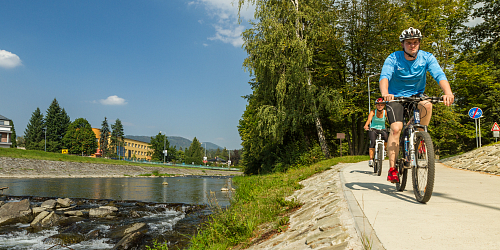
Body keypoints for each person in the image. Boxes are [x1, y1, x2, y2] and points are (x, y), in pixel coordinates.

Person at [379, 27, 454, 183]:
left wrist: (448, 92)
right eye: (408, 43)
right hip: (396, 97)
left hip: (416, 95)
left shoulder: (427, 58)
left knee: (427, 104)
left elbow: (439, 74)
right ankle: (392, 168)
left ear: (419, 43)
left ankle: (420, 138)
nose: (412, 45)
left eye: (415, 42)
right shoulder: (393, 58)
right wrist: (385, 93)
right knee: (396, 128)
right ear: (403, 44)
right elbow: (385, 76)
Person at [364, 97, 388, 167]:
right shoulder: (373, 112)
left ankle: (384, 150)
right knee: (373, 142)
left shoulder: (385, 112)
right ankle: (371, 159)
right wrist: (366, 125)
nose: (380, 106)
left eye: (381, 105)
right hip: (373, 129)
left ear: (384, 105)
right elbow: (369, 120)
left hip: (382, 129)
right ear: (376, 105)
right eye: (378, 105)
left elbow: (389, 120)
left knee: (386, 138)